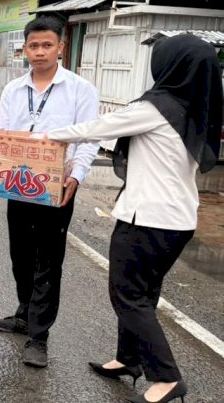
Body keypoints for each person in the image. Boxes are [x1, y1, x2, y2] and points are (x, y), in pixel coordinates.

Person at [44, 33, 222, 403]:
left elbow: (95, 129)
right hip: (178, 221)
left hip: (148, 220)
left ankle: (167, 377)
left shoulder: (158, 107)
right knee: (144, 293)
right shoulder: (193, 109)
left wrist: (44, 136)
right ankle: (129, 358)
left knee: (127, 295)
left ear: (172, 66)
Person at [0, 15, 100, 368]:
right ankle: (24, 312)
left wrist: (77, 177)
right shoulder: (12, 89)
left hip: (57, 188)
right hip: (19, 185)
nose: (40, 52)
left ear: (60, 48)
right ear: (25, 49)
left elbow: (89, 137)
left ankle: (39, 336)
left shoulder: (80, 89)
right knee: (20, 255)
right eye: (33, 46)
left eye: (47, 45)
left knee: (48, 261)